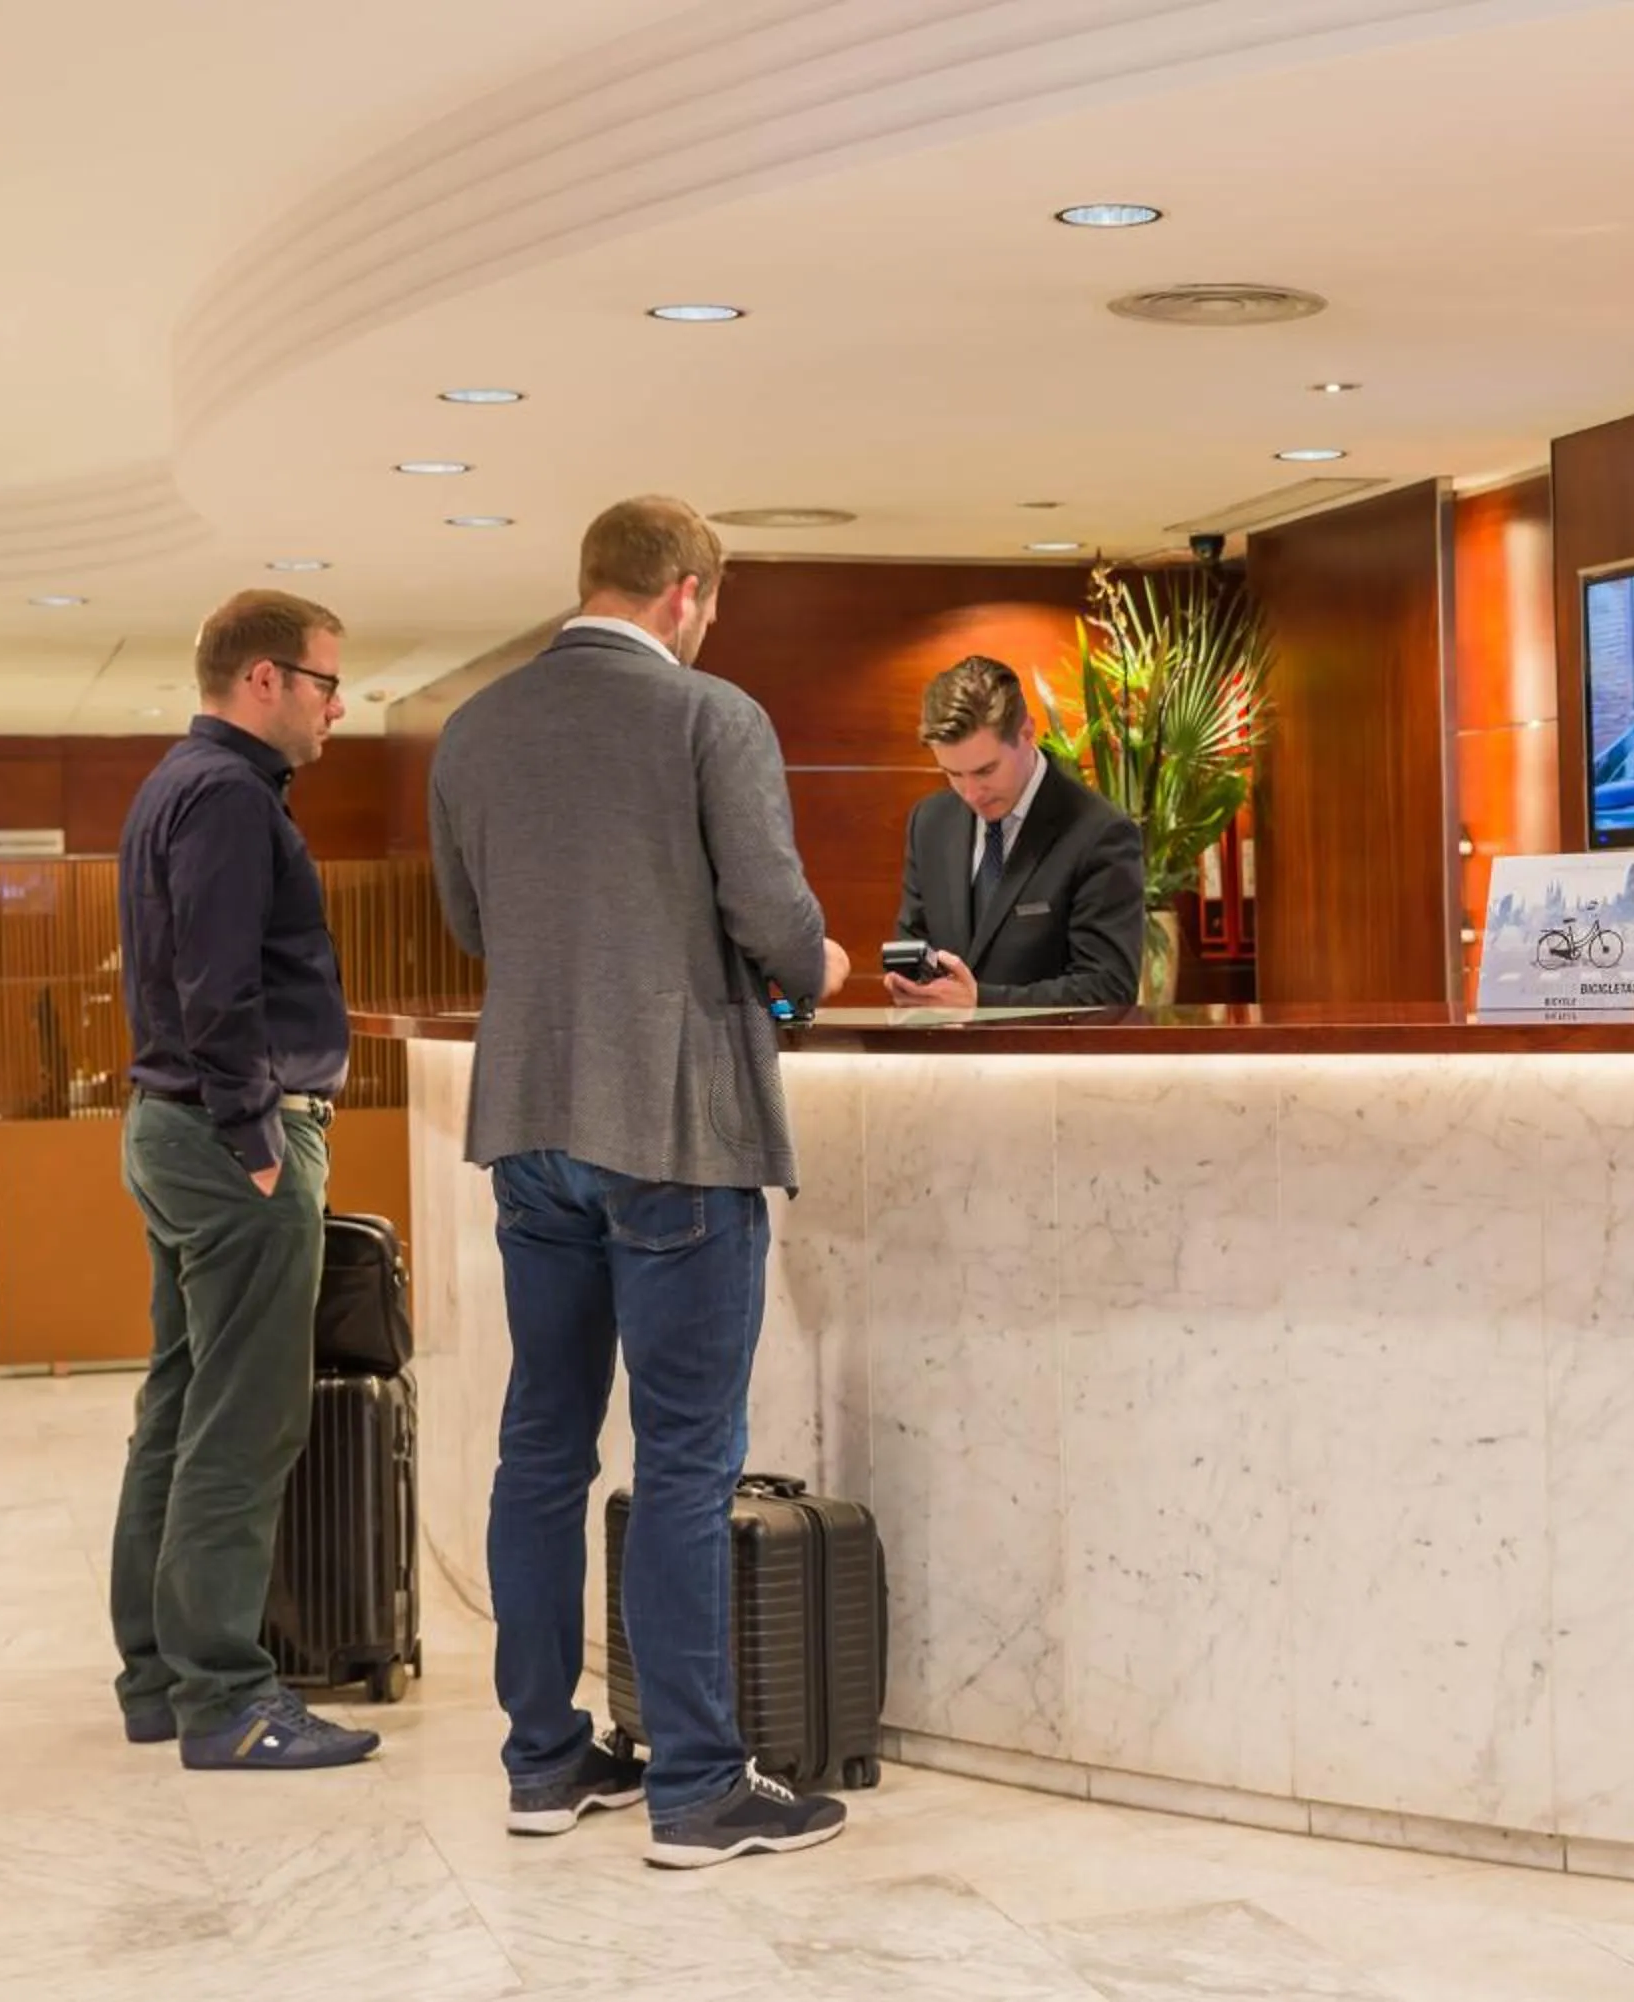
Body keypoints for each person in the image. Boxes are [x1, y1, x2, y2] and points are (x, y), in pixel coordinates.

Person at [428, 495, 850, 1869]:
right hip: (672, 1124)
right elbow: (774, 920)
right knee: (684, 1459)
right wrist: (823, 971)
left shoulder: (478, 727)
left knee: (541, 1445)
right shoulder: (708, 715)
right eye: (709, 607)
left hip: (531, 1123)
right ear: (685, 594)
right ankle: (697, 1786)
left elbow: (474, 918)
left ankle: (545, 1762)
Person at [108, 588, 377, 1771]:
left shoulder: (183, 780)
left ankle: (159, 1675)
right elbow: (218, 985)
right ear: (263, 678)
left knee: (178, 1404)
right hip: (229, 1141)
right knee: (242, 1417)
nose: (337, 704)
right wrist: (260, 1137)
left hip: (176, 1130)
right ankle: (227, 1697)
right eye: (326, 681)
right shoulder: (225, 795)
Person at [886, 654, 1146, 1009]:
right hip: (946, 1060)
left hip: (1049, 1062)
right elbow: (914, 943)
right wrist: (910, 984)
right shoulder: (930, 822)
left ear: (1027, 732)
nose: (971, 793)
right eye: (953, 774)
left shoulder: (1100, 833)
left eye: (986, 770)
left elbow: (1109, 989)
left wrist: (981, 1001)